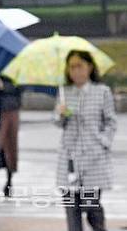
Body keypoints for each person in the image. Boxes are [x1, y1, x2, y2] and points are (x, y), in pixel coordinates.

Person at [54, 49, 117, 231]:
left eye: (79, 66)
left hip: (93, 158)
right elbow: (58, 122)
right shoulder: (64, 92)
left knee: (91, 205)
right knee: (71, 208)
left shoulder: (102, 92)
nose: (76, 71)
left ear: (89, 67)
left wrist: (103, 142)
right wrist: (61, 114)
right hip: (69, 158)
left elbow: (111, 122)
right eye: (72, 67)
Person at [0, 74, 21, 198]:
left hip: (11, 110)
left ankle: (9, 180)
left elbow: (19, 88)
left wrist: (3, 86)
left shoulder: (15, 71)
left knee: (10, 147)